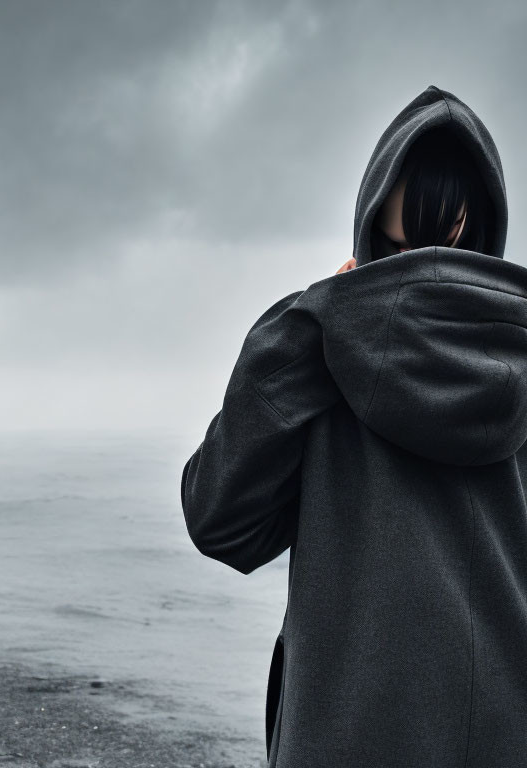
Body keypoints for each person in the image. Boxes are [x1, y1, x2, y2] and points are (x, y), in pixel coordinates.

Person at [180, 85, 527, 767]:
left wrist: (308, 328)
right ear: (486, 229)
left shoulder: (321, 350)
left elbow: (222, 524)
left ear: (367, 228)